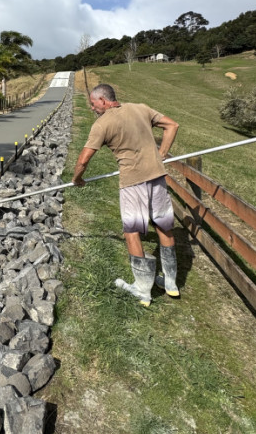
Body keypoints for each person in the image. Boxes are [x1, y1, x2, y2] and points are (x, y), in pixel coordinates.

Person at [72, 83, 180, 306]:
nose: (92, 108)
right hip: (157, 176)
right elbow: (172, 125)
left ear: (103, 100)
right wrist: (161, 154)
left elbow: (83, 159)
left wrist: (77, 179)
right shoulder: (141, 108)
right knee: (164, 226)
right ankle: (170, 283)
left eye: (93, 104)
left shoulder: (102, 124)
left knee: (132, 231)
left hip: (133, 181)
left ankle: (142, 290)